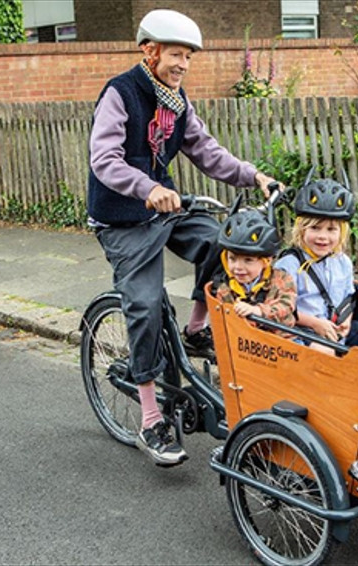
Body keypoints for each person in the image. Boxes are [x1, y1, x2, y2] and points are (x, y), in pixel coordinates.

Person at [87, 9, 278, 467]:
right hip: (122, 219)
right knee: (146, 304)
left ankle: (196, 329)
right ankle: (152, 418)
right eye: (176, 54)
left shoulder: (175, 99)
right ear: (149, 51)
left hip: (165, 209)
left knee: (222, 243)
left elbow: (206, 151)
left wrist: (253, 176)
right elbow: (104, 159)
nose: (183, 64)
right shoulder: (121, 93)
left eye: (188, 57)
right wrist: (148, 188)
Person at [274, 177, 358, 356]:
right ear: (301, 229)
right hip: (304, 330)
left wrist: (346, 321)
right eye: (315, 228)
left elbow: (347, 298)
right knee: (325, 350)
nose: (323, 236)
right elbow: (280, 308)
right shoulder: (289, 264)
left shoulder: (342, 262)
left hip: (334, 327)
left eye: (331, 230)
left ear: (341, 232)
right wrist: (315, 324)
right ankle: (333, 382)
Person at [211, 209, 297, 335]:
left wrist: (258, 311)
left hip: (282, 344)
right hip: (245, 346)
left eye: (248, 260)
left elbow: (286, 306)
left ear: (266, 261)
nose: (238, 267)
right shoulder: (225, 288)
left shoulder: (282, 279)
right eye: (232, 259)